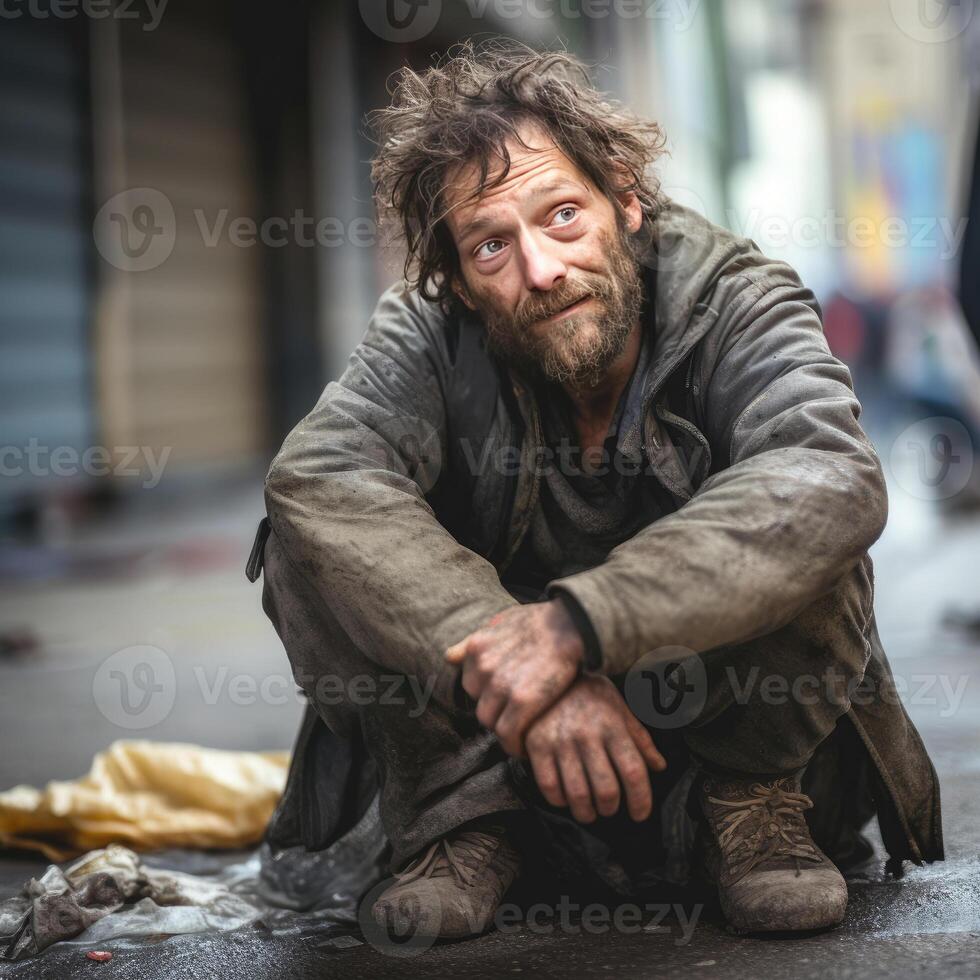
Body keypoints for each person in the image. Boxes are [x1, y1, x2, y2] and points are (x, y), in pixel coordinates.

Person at [250, 40, 942, 939]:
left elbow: (826, 470)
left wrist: (577, 627)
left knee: (801, 510)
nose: (541, 269)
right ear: (457, 280)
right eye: (492, 246)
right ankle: (468, 822)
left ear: (626, 197)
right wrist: (518, 660)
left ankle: (755, 804)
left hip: (727, 733)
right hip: (511, 755)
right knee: (307, 539)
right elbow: (322, 474)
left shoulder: (736, 298)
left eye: (564, 215)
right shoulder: (428, 332)